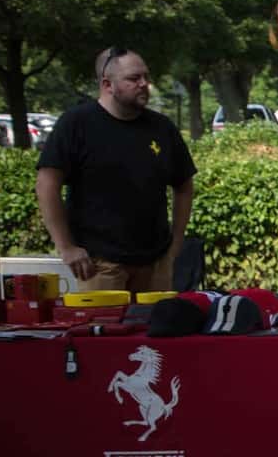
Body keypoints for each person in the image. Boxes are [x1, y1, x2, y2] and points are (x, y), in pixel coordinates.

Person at [36, 46, 196, 292]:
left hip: (156, 265)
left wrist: (174, 247)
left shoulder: (162, 128)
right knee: (104, 330)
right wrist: (66, 247)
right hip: (98, 265)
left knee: (157, 330)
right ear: (107, 84)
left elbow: (184, 185)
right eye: (134, 78)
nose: (144, 84)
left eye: (146, 77)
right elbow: (47, 184)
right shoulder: (76, 124)